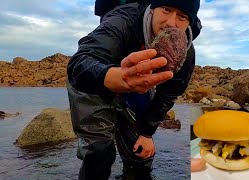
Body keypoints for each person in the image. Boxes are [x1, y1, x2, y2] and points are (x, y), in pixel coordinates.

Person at [67, 0, 201, 179]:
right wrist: (112, 76)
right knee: (99, 151)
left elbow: (168, 94)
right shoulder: (122, 21)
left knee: (140, 156)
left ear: (189, 22)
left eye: (182, 17)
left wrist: (147, 133)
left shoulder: (187, 52)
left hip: (136, 90)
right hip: (95, 83)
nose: (171, 22)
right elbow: (79, 63)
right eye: (166, 10)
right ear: (153, 8)